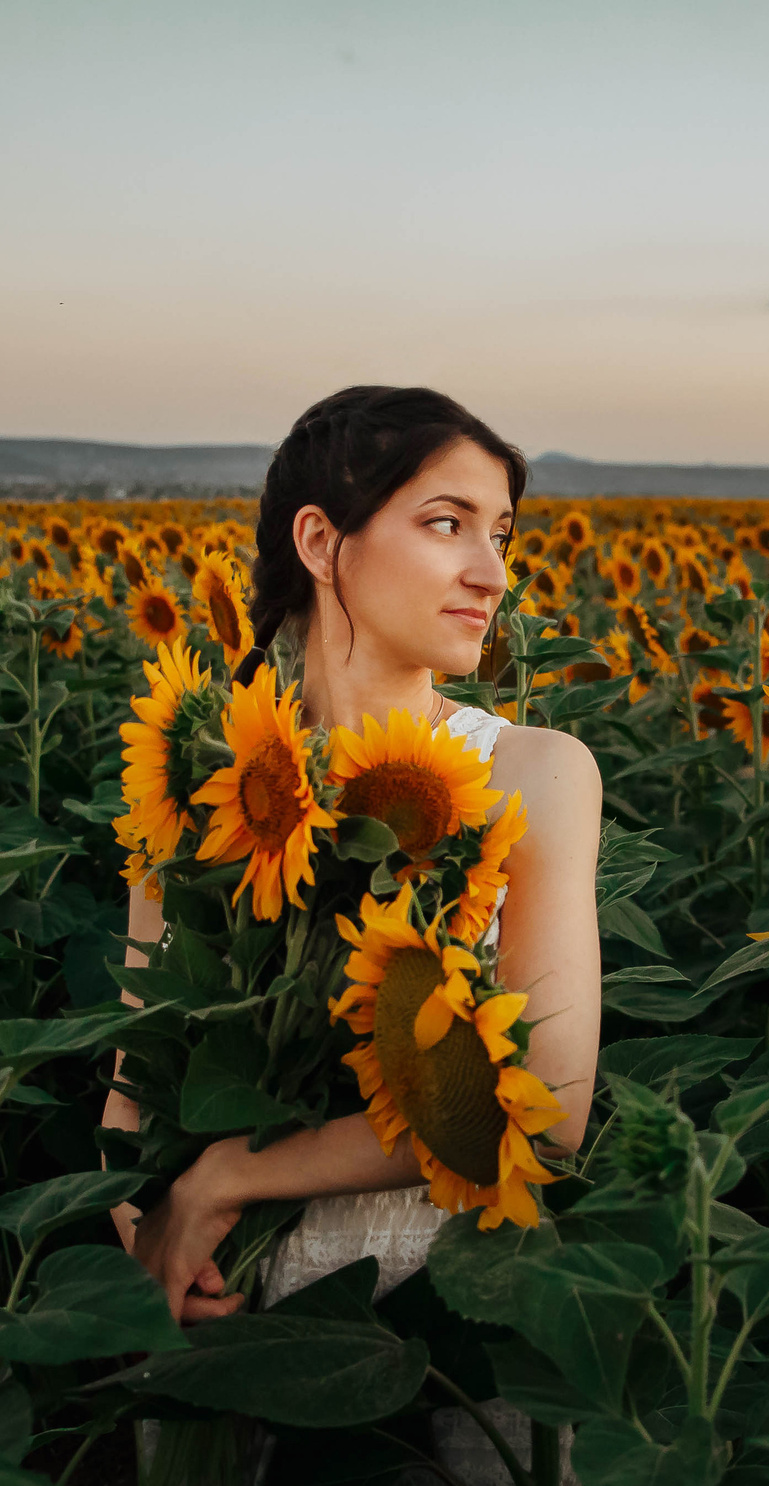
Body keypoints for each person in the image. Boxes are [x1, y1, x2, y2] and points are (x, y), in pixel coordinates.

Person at [108, 384, 604, 1322]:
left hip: (443, 1305)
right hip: (217, 1300)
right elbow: (137, 1079)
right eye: (448, 523)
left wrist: (224, 1177)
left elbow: (552, 1103)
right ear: (322, 542)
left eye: (500, 534)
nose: (492, 573)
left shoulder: (533, 773)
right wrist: (147, 1236)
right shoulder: (206, 782)